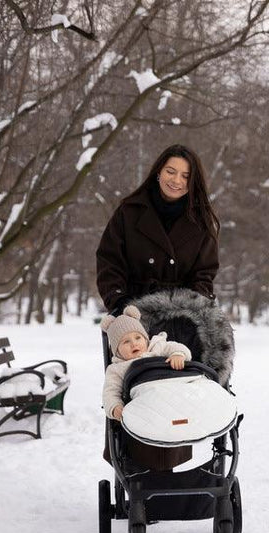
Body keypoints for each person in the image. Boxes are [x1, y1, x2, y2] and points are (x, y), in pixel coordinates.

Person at [96, 144, 220, 313]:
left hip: (181, 315)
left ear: (192, 182)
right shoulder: (129, 212)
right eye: (170, 171)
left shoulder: (201, 222)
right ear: (158, 172)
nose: (176, 181)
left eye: (185, 176)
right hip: (132, 311)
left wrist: (191, 310)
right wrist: (119, 302)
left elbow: (204, 275)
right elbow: (110, 262)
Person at [101, 305, 191, 421]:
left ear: (145, 339)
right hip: (146, 407)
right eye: (126, 342)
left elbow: (180, 348)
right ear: (117, 351)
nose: (134, 344)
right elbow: (110, 392)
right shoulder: (116, 369)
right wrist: (114, 407)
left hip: (175, 393)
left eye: (138, 338)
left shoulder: (158, 346)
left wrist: (178, 354)